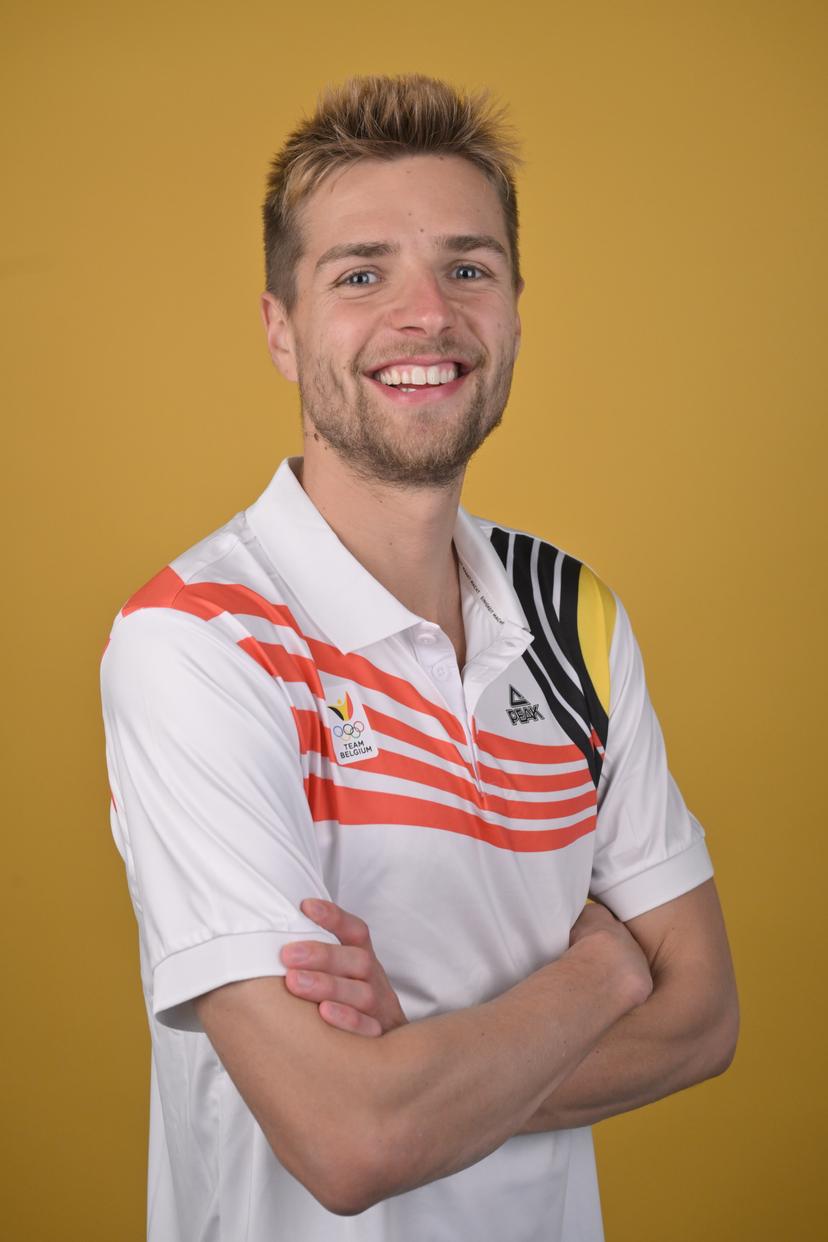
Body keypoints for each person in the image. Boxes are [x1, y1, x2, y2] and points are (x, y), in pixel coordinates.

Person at [100, 74, 739, 1242]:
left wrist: (418, 1073)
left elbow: (703, 1017)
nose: (427, 317)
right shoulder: (197, 640)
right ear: (282, 330)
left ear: (513, 307)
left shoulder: (572, 613)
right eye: (360, 275)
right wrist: (596, 980)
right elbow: (351, 1141)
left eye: (468, 267)